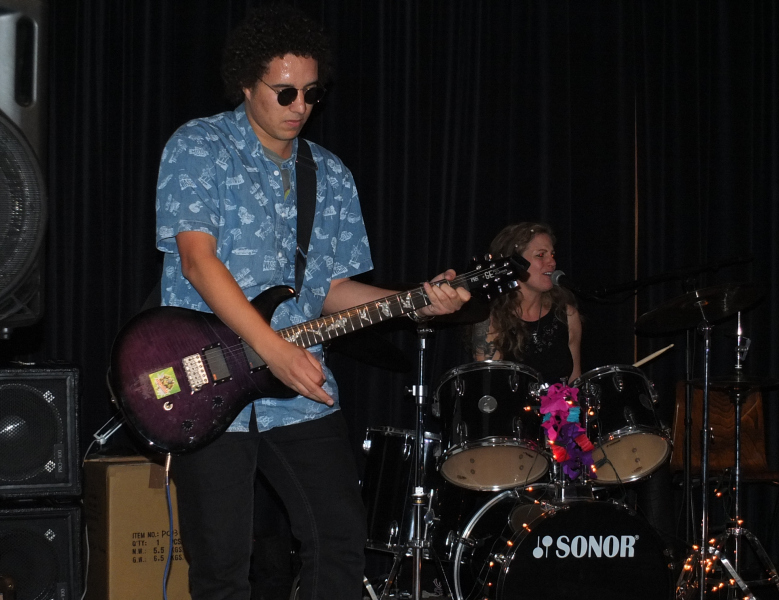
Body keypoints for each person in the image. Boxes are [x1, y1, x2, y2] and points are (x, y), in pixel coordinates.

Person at [154, 5, 469, 599]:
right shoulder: (200, 145)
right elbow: (197, 260)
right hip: (207, 379)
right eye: (285, 92)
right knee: (222, 565)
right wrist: (273, 350)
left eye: (312, 93)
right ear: (247, 84)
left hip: (299, 389)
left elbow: (328, 290)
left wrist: (413, 303)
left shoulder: (331, 174)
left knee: (341, 538)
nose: (300, 105)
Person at [471, 222, 581, 384]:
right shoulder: (490, 319)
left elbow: (575, 383)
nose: (552, 262)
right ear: (513, 263)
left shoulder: (567, 314)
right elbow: (489, 388)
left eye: (552, 254)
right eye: (540, 255)